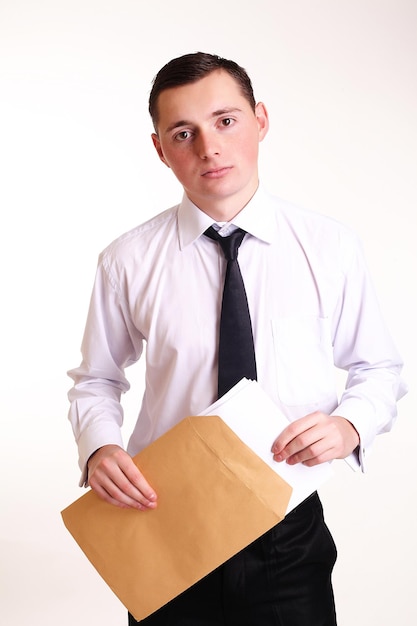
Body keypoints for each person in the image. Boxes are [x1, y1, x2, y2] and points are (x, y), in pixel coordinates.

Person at [67, 52, 407, 625]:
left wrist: (351, 425)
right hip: (167, 521)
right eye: (184, 133)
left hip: (287, 525)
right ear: (159, 149)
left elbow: (379, 369)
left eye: (225, 121)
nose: (209, 147)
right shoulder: (126, 261)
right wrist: (100, 447)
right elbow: (97, 379)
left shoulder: (329, 248)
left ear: (261, 120)